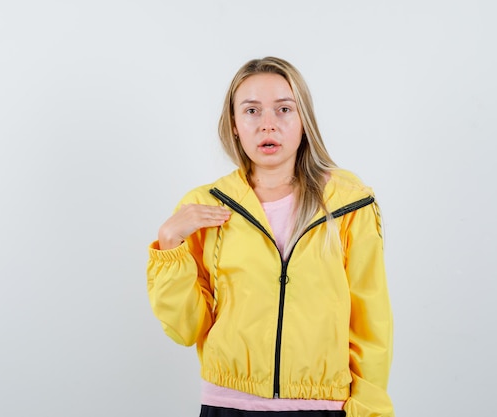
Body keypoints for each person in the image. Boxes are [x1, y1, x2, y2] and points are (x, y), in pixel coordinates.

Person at [146, 56, 394, 417]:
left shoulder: (348, 203)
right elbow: (186, 329)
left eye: (283, 110)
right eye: (251, 111)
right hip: (228, 404)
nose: (268, 125)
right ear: (233, 123)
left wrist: (369, 409)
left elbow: (371, 321)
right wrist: (170, 244)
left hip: (324, 406)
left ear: (303, 120)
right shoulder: (202, 207)